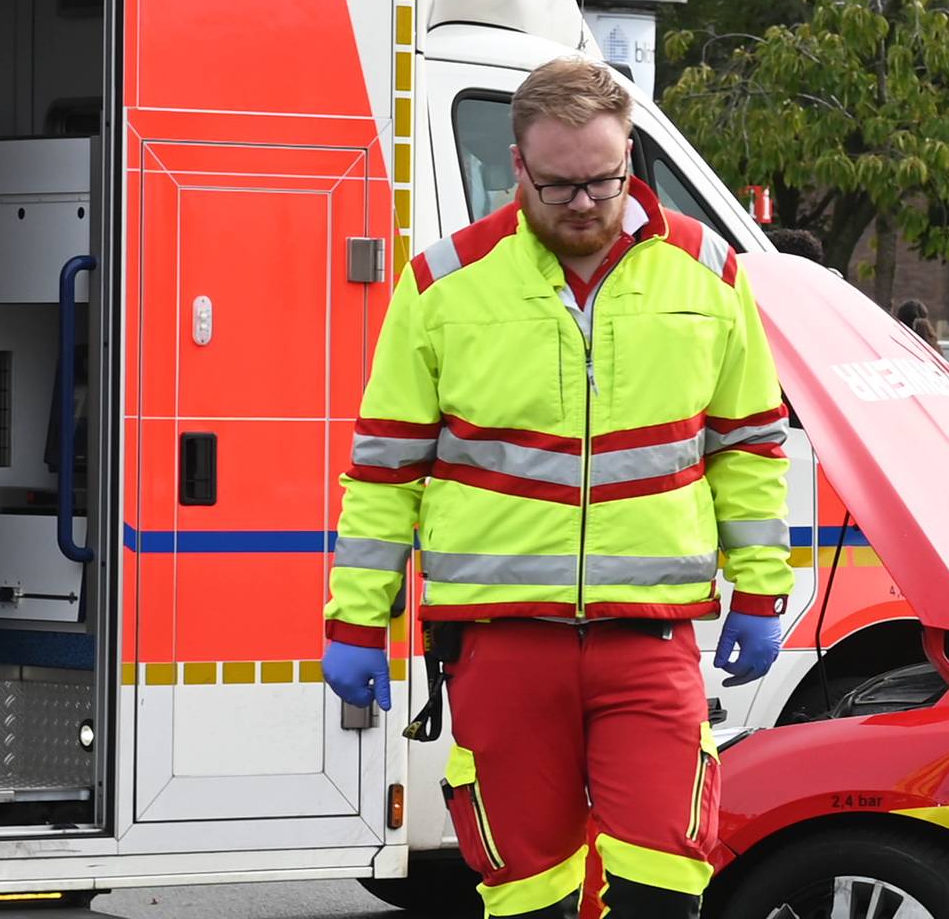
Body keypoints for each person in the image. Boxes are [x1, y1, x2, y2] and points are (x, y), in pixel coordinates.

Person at [321, 56, 793, 919]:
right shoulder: (442, 286)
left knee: (666, 884)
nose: (583, 205)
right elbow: (387, 468)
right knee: (527, 894)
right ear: (517, 169)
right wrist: (357, 618)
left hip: (647, 645)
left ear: (629, 160)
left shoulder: (710, 276)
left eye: (603, 183)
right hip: (502, 646)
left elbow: (750, 448)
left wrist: (762, 594)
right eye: (559, 186)